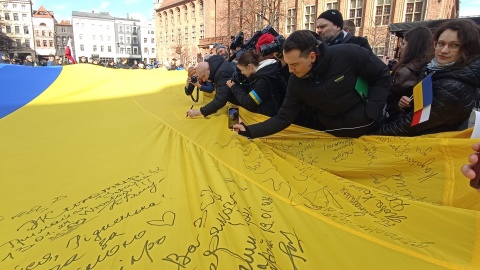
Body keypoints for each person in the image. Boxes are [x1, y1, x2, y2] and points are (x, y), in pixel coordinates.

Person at [233, 30, 390, 138]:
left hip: (374, 129)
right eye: (287, 64)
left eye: (294, 64)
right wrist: (249, 131)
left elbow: (382, 75)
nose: (290, 70)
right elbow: (283, 118)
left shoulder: (348, 53)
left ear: (312, 57)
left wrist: (372, 111)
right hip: (335, 136)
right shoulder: (295, 81)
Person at [371, 19, 480, 136]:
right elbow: (424, 115)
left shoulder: (452, 85)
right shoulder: (435, 70)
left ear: (469, 48)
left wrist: (372, 133)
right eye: (441, 43)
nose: (444, 50)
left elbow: (410, 126)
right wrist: (408, 105)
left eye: (454, 45)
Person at [386, 26, 434, 118]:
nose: (402, 47)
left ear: (412, 46)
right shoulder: (428, 65)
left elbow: (388, 92)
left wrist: (384, 69)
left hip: (395, 115)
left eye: (404, 44)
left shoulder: (405, 70)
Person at [226, 50, 286, 117]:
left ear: (249, 66)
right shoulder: (267, 71)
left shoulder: (263, 81)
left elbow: (248, 103)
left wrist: (234, 87)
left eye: (242, 70)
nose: (242, 73)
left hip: (268, 118)